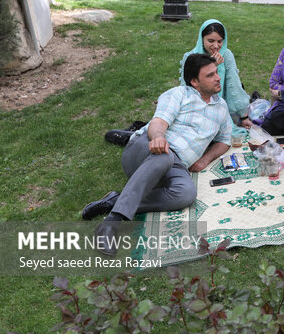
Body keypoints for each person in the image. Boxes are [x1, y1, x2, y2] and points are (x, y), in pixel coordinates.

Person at [83, 53, 232, 256]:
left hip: (176, 164)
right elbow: (158, 123)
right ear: (195, 82)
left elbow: (224, 140)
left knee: (186, 194)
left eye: (216, 73)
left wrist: (205, 159)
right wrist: (158, 138)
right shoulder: (179, 94)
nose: (217, 77)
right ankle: (111, 223)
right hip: (146, 147)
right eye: (210, 75)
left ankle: (115, 201)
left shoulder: (221, 108)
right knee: (164, 155)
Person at [180, 19, 252, 137]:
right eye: (211, 41)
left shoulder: (226, 55)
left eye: (220, 41)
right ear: (202, 39)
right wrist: (213, 65)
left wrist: (244, 115)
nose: (216, 46)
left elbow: (234, 85)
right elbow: (187, 89)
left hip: (221, 106)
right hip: (197, 107)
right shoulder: (190, 57)